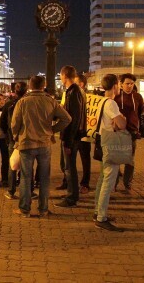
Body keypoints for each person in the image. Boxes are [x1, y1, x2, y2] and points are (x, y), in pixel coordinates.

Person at [12, 76, 71, 217]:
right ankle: (43, 209)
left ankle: (25, 209)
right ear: (43, 85)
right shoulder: (50, 101)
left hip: (26, 143)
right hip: (44, 143)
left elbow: (14, 124)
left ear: (30, 86)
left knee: (26, 177)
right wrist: (52, 130)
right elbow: (67, 119)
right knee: (44, 177)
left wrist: (17, 136)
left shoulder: (23, 102)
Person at [94, 74, 127, 232]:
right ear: (115, 85)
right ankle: (101, 217)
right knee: (109, 180)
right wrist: (122, 118)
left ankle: (97, 212)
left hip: (101, 140)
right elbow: (121, 124)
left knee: (102, 178)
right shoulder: (111, 103)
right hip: (110, 144)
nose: (120, 87)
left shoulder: (100, 100)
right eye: (119, 84)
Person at [55, 65, 87, 208]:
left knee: (69, 167)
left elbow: (73, 118)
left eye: (61, 76)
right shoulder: (76, 91)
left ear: (64, 76)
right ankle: (71, 192)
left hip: (71, 137)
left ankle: (72, 197)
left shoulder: (73, 92)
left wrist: (68, 141)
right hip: (73, 136)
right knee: (68, 166)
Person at [114, 73, 144, 191]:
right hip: (118, 132)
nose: (129, 86)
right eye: (127, 83)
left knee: (129, 159)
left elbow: (141, 113)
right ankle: (114, 183)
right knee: (115, 158)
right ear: (121, 84)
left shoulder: (137, 97)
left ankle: (127, 183)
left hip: (132, 132)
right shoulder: (116, 97)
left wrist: (139, 129)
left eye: (132, 84)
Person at [0, 81, 28, 199]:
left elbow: (2, 122)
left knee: (13, 164)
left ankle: (11, 190)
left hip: (13, 139)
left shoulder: (9, 104)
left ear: (15, 91)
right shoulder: (28, 103)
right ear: (26, 91)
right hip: (26, 138)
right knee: (27, 165)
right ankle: (27, 190)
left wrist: (8, 135)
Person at [75, 74, 91, 194]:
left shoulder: (90, 98)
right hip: (73, 133)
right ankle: (67, 181)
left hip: (85, 133)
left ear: (81, 84)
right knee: (68, 161)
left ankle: (85, 183)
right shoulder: (70, 95)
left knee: (85, 159)